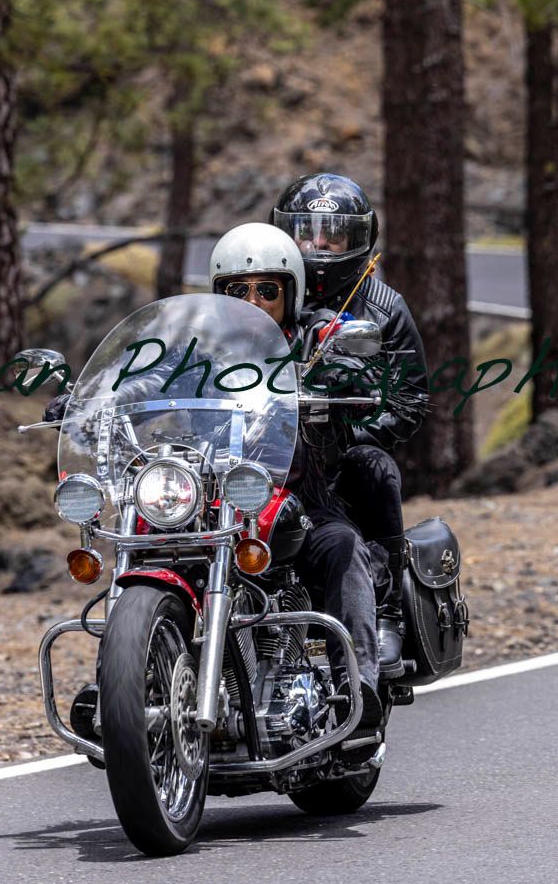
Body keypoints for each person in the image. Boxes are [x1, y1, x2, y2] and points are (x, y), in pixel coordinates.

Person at [207, 222, 385, 736]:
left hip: (297, 501)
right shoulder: (200, 346)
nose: (254, 301)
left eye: (267, 290)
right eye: (238, 291)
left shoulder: (315, 333)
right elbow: (148, 371)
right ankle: (130, 677)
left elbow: (352, 362)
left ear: (292, 293)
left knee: (344, 548)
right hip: (212, 503)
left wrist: (343, 375)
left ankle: (357, 687)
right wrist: (95, 398)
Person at [269, 172, 430, 679]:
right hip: (266, 451)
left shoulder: (384, 308)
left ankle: (388, 610)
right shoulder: (265, 297)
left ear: (357, 241)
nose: (317, 245)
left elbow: (411, 396)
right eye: (306, 232)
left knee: (373, 467)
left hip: (343, 448)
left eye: (331, 235)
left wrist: (350, 432)